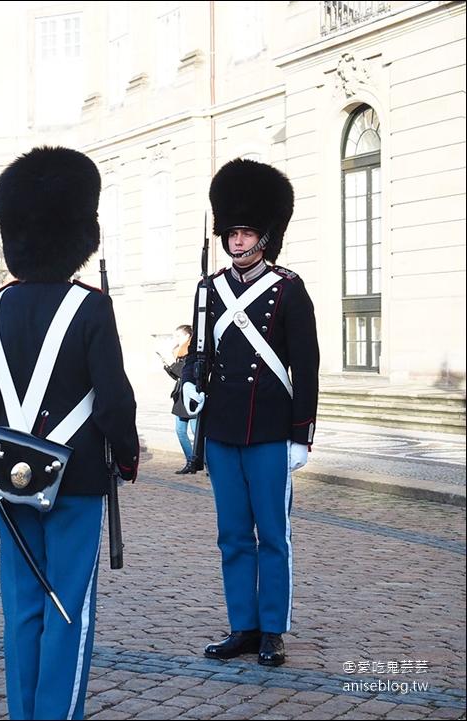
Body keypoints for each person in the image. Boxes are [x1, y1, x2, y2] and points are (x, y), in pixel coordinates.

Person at [0, 146, 140, 720]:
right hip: (79, 482)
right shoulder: (91, 308)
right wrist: (128, 455)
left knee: (21, 611)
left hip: (10, 481)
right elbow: (114, 400)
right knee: (70, 609)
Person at [181, 157, 320, 668]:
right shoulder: (209, 290)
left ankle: (273, 631)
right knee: (233, 534)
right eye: (232, 233)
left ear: (265, 235)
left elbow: (306, 366)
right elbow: (202, 354)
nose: (237, 242)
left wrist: (301, 434)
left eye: (246, 233)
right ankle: (242, 625)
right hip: (221, 430)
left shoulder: (288, 288)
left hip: (268, 430)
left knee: (273, 536)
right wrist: (192, 386)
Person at [158, 324, 197, 474]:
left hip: (191, 398)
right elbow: (178, 376)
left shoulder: (191, 353)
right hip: (180, 398)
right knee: (180, 431)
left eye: (178, 336)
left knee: (195, 431)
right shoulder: (180, 353)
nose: (176, 339)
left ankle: (205, 461)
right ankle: (190, 461)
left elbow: (185, 373)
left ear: (188, 336)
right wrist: (168, 366)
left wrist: (173, 365)